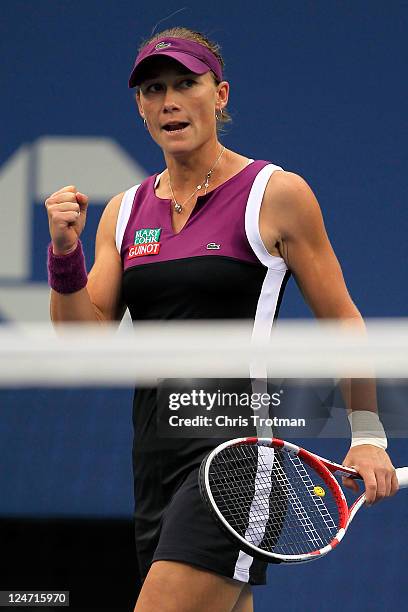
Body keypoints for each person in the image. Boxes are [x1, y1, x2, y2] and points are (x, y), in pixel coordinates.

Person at [45, 27, 399, 612]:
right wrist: (64, 254)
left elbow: (344, 321)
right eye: (154, 89)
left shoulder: (275, 194)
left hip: (236, 460)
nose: (170, 101)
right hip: (154, 464)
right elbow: (82, 342)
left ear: (221, 94)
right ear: (140, 106)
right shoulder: (124, 213)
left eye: (187, 83)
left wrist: (367, 435)